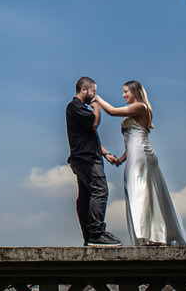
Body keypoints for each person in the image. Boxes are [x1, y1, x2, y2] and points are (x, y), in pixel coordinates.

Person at [94, 80, 186, 246]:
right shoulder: (135, 111)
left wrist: (97, 98)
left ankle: (150, 236)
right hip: (135, 154)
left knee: (142, 191)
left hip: (142, 154)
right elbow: (130, 141)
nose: (123, 95)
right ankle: (145, 235)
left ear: (135, 92)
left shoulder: (141, 107)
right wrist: (120, 159)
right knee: (136, 190)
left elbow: (113, 111)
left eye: (126, 92)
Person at [66, 76, 122, 246]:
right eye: (93, 91)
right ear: (84, 90)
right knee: (100, 190)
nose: (94, 95)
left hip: (84, 157)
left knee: (85, 196)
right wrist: (97, 106)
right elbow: (94, 124)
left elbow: (92, 136)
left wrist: (106, 154)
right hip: (87, 159)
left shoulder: (79, 108)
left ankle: (89, 236)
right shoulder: (75, 106)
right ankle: (96, 234)